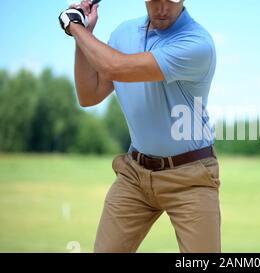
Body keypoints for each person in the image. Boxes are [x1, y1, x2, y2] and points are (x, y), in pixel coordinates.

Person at [58, 0, 221, 253]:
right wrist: (85, 35)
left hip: (190, 177)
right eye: (156, 0)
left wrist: (74, 26)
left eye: (170, 1)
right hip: (134, 174)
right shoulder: (123, 34)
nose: (162, 9)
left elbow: (117, 67)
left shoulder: (196, 44)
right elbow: (89, 95)